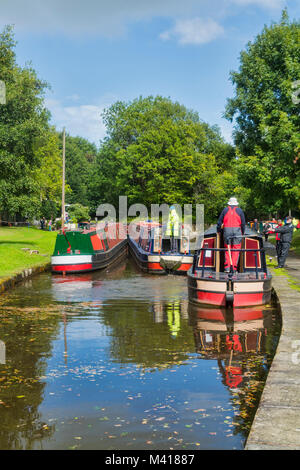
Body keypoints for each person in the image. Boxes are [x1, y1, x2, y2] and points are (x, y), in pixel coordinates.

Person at [217, 197, 245, 273]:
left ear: (229, 203)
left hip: (227, 231)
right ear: (236, 204)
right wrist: (242, 232)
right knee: (236, 249)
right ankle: (234, 268)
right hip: (237, 231)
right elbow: (243, 224)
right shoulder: (240, 210)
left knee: (227, 249)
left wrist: (218, 231)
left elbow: (219, 222)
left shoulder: (225, 210)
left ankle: (227, 268)